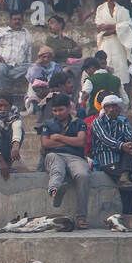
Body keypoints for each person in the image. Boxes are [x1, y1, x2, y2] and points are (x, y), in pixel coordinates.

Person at [41, 94, 90, 227]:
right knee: (57, 170)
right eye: (55, 110)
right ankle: (54, 192)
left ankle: (81, 217)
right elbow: (45, 144)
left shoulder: (79, 123)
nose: (58, 113)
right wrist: (69, 142)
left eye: (61, 110)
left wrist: (58, 137)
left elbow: (81, 141)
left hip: (75, 157)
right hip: (54, 155)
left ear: (68, 108)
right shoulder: (48, 124)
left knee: (83, 175)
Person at [94, 0, 132, 87]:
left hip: (120, 44)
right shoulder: (100, 9)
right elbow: (100, 28)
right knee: (105, 68)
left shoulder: (123, 10)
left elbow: (128, 26)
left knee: (120, 72)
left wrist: (110, 27)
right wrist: (117, 27)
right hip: (105, 44)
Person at [0, 11, 32, 90]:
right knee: (0, 69)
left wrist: (27, 64)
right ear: (10, 21)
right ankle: (0, 93)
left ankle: (6, 74)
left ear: (23, 21)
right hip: (0, 62)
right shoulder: (0, 31)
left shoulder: (26, 34)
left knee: (32, 67)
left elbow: (28, 53)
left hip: (18, 66)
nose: (17, 21)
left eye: (19, 19)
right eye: (15, 19)